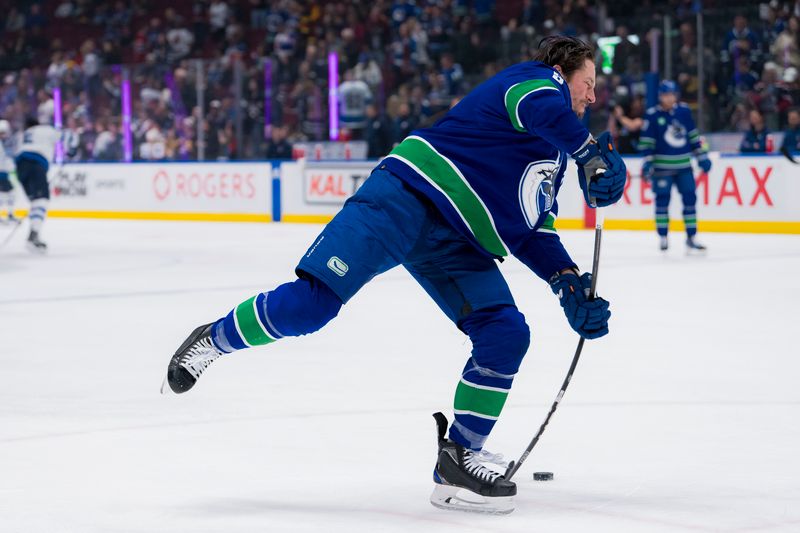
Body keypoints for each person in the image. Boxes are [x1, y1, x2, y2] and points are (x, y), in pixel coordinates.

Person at [162, 36, 626, 514]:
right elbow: (538, 106)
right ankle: (213, 339)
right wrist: (590, 150)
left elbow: (531, 233)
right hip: (404, 196)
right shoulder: (533, 82)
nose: (592, 96)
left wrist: (567, 282)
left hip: (459, 243)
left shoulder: (555, 159)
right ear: (562, 71)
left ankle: (458, 460)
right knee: (311, 305)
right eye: (587, 83)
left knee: (506, 333)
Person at [639, 80, 712, 252]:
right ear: (660, 96)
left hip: (684, 166)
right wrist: (647, 162)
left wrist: (701, 157)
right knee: (662, 202)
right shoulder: (652, 115)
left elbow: (693, 136)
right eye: (665, 95)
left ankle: (691, 236)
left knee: (690, 200)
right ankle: (663, 237)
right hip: (662, 169)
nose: (669, 98)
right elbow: (646, 143)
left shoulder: (684, 111)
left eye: (671, 94)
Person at [15, 116, 61, 253]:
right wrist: (72, 151)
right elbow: (68, 136)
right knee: (41, 200)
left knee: (35, 201)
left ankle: (33, 233)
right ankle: (33, 236)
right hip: (35, 163)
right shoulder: (45, 129)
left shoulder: (24, 134)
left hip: (19, 165)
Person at [0, 119, 17, 223]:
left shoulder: (6, 143)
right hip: (1, 173)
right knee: (6, 194)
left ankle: (9, 214)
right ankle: (8, 215)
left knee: (9, 194)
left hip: (4, 173)